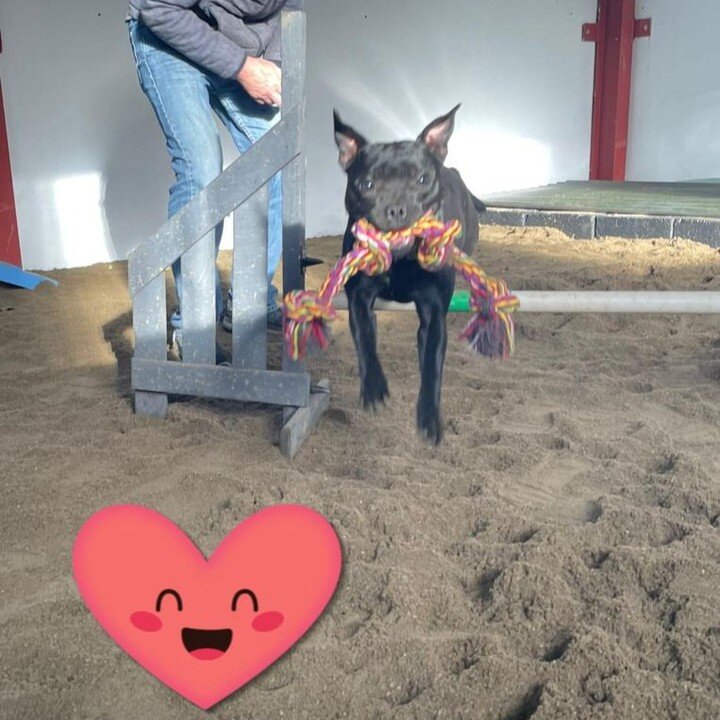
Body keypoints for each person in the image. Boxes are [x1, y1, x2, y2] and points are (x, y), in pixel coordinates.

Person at [127, 0, 303, 355]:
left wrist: (275, 70)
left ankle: (250, 300)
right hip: (168, 38)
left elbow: (290, 14)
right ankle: (193, 329)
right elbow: (156, 8)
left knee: (280, 156)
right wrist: (242, 68)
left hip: (236, 46)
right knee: (201, 170)